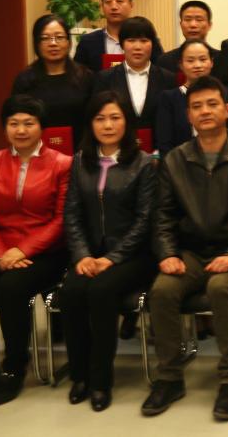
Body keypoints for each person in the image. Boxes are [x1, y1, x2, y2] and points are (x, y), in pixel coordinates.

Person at [142, 75, 228, 421]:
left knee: (221, 287)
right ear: (188, 115)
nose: (205, 111)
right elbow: (163, 216)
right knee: (162, 290)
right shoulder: (175, 160)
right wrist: (167, 254)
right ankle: (170, 377)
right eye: (197, 106)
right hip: (191, 253)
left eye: (212, 104)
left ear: (227, 110)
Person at [0, 95, 71, 407]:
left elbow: (61, 220)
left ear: (41, 127)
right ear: (5, 128)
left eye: (28, 123)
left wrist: (23, 250)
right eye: (13, 123)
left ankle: (14, 368)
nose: (21, 130)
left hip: (46, 251)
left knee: (11, 288)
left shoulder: (62, 164)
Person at [60, 92, 157, 412]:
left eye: (115, 117)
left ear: (126, 122)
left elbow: (145, 221)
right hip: (89, 253)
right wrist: (82, 255)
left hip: (133, 255)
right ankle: (80, 376)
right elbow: (72, 213)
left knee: (101, 291)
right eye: (100, 118)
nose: (108, 125)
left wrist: (112, 258)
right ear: (91, 124)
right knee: (72, 291)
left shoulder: (144, 163)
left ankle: (101, 380)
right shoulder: (80, 161)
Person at [11, 14, 94, 146]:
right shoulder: (25, 80)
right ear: (37, 44)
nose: (53, 43)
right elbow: (17, 121)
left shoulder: (85, 77)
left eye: (59, 37)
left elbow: (94, 118)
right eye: (45, 38)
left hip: (81, 152)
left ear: (68, 42)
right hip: (38, 152)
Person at [92, 16, 177, 130]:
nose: (137, 47)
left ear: (153, 44)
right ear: (122, 44)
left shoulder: (168, 78)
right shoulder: (105, 78)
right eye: (131, 40)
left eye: (144, 41)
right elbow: (97, 116)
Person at [74, 0, 163, 72]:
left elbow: (160, 72)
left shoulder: (147, 40)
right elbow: (78, 75)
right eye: (108, 2)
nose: (114, 7)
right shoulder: (87, 42)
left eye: (119, 1)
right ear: (102, 7)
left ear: (131, 5)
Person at [156, 39, 214, 155]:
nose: (197, 65)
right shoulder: (169, 98)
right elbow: (164, 145)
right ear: (181, 65)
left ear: (211, 62)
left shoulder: (224, 94)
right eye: (190, 60)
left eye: (203, 59)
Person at [156, 0, 220, 74]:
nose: (193, 25)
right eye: (187, 20)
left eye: (199, 20)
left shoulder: (221, 59)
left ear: (209, 25)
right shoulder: (165, 61)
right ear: (181, 25)